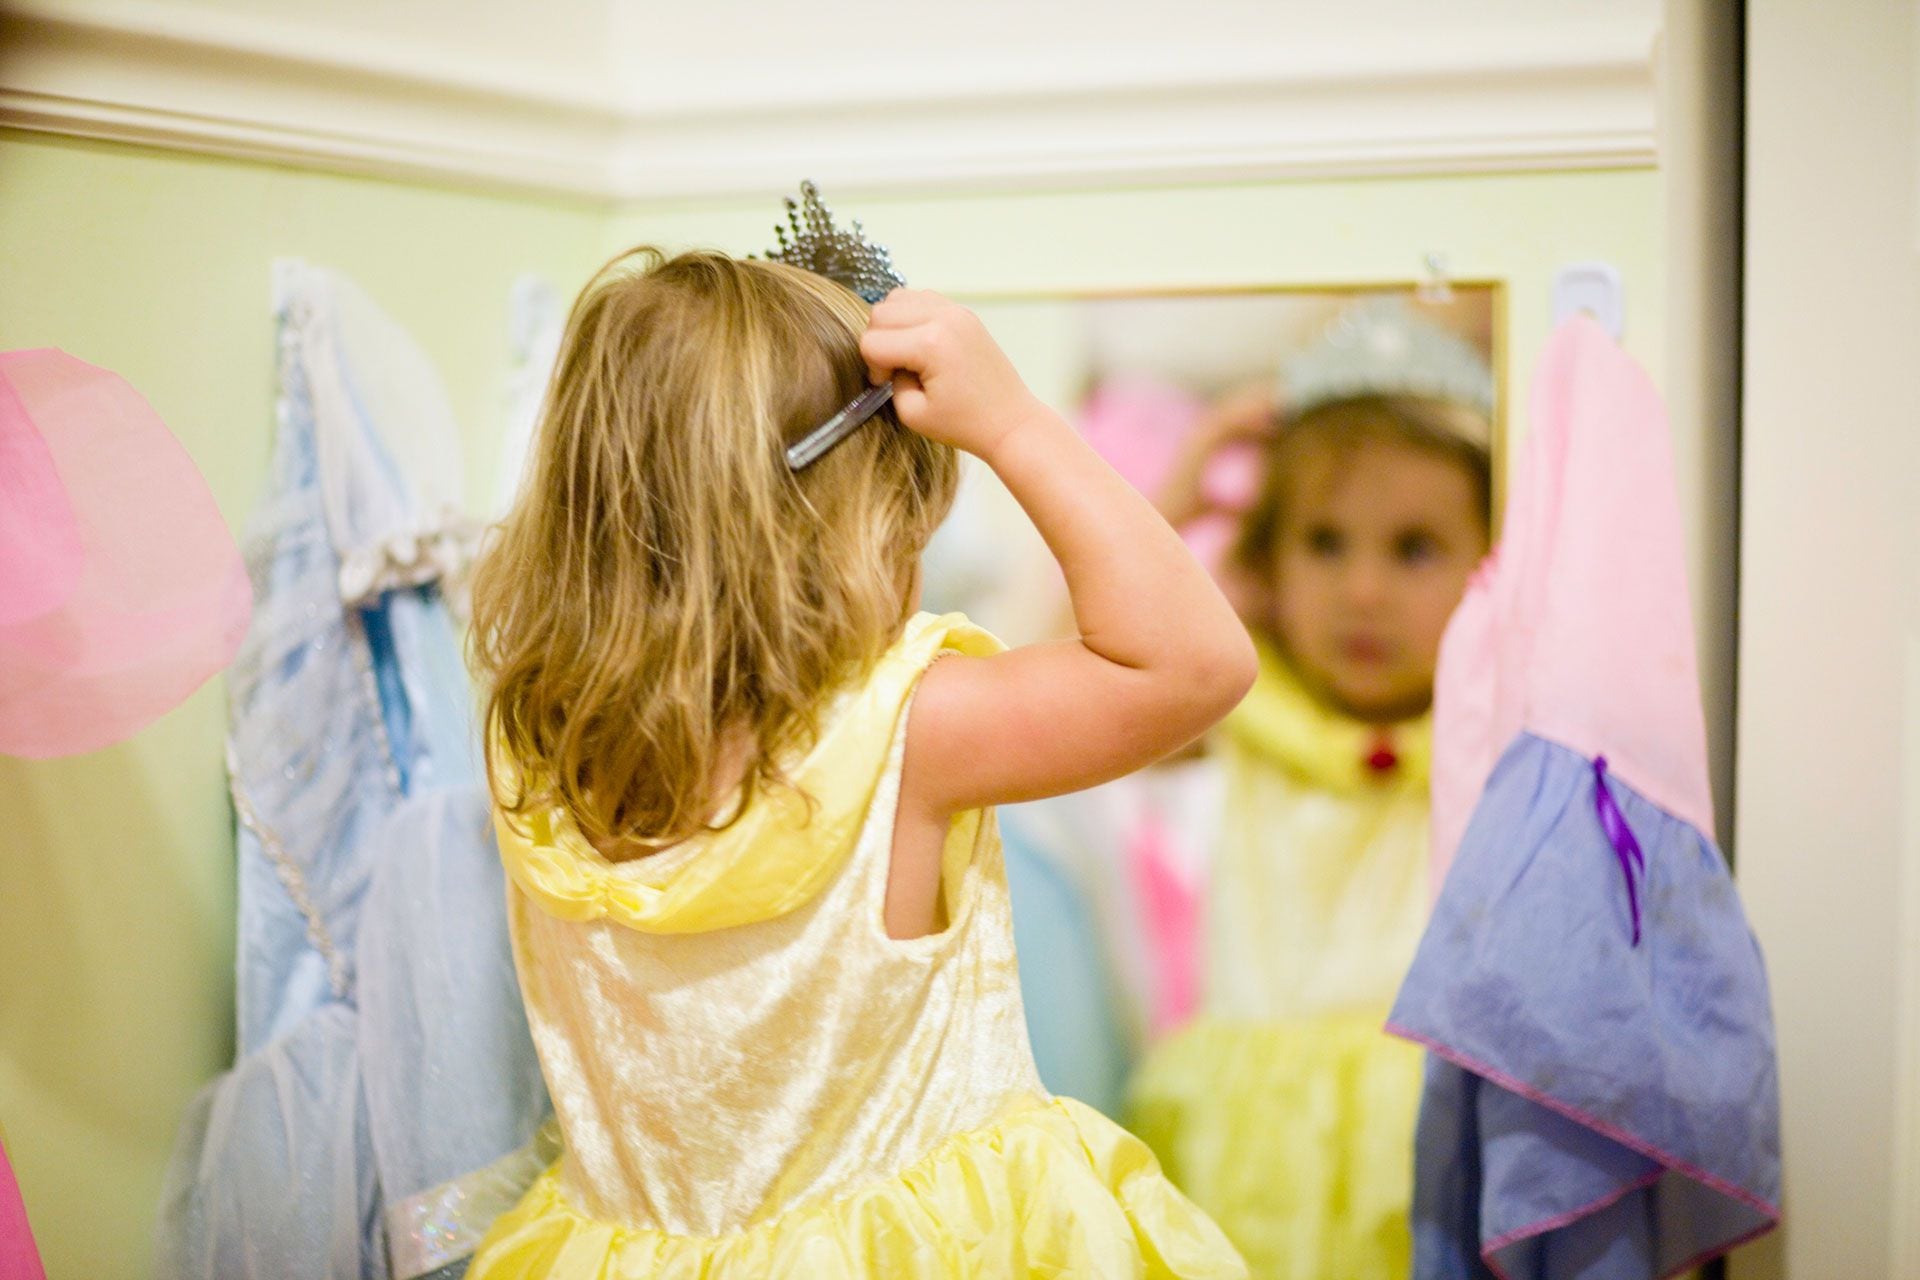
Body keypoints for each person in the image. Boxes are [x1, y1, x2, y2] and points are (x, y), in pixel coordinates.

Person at [462, 244, 1256, 1277]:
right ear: (846, 535)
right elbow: (1195, 663)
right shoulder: (906, 730)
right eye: (906, 537)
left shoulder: (538, 739)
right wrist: (1015, 424)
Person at [1132, 328, 1494, 1279]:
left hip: (1426, 1143)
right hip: (1241, 1153)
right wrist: (1172, 501)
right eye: (1324, 543)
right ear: (1267, 561)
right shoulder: (1236, 706)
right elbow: (1065, 677)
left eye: (1415, 549)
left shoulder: (1491, 733)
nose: (1362, 591)